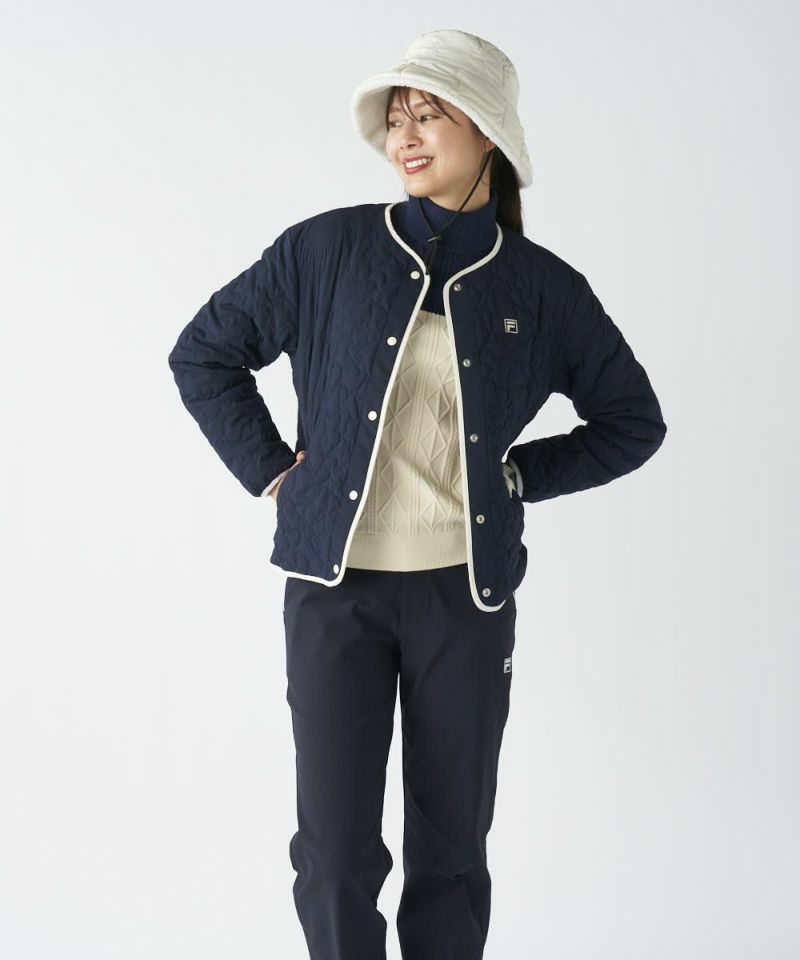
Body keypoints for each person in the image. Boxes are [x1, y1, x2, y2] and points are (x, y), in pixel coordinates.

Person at [168, 28, 667, 960]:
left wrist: (518, 477)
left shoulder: (543, 288)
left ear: (490, 134)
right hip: (335, 592)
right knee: (333, 856)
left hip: (464, 600)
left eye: (430, 114)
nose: (405, 134)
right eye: (397, 118)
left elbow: (633, 422)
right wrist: (274, 470)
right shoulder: (327, 248)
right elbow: (203, 354)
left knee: (452, 855)